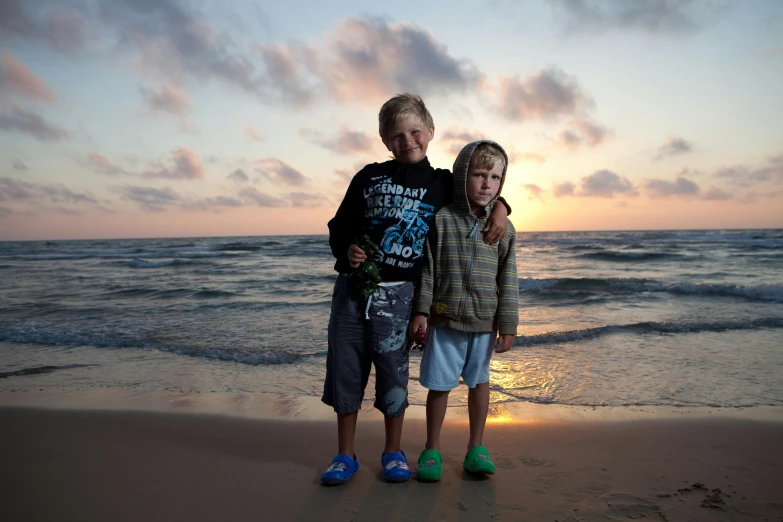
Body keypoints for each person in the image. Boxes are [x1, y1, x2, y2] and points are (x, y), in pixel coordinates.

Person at [321, 95, 512, 485]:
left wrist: (502, 209)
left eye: (414, 132)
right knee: (346, 371)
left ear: (429, 133)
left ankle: (393, 451)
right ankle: (344, 454)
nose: (407, 141)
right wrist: (347, 248)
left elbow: (479, 193)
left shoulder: (442, 182)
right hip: (352, 293)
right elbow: (339, 223)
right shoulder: (369, 176)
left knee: (393, 374)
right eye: (396, 136)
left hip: (400, 297)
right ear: (385, 141)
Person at [407, 140, 519, 482]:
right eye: (479, 174)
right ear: (462, 175)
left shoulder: (505, 229)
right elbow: (429, 271)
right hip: (444, 319)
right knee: (439, 386)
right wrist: (421, 312)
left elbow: (509, 278)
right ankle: (432, 449)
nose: (487, 184)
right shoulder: (441, 220)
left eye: (495, 178)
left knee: (480, 382)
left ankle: (476, 448)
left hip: (484, 323)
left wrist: (508, 323)